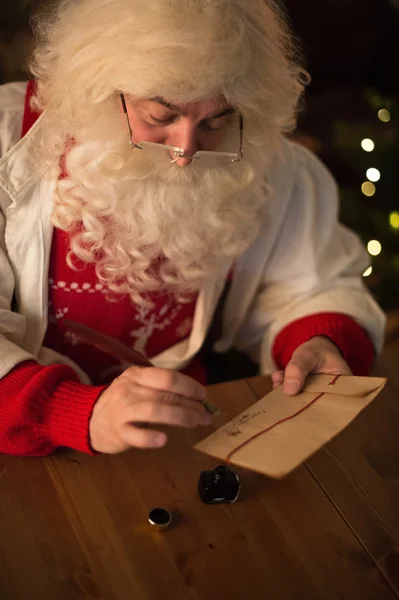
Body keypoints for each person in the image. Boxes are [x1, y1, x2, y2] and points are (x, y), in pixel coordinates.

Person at [0, 0, 385, 457]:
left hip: (180, 432)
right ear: (102, 90)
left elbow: (314, 284)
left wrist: (319, 338)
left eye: (215, 121)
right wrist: (70, 411)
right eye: (161, 116)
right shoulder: (7, 139)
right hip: (26, 443)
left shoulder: (261, 159)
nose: (186, 152)